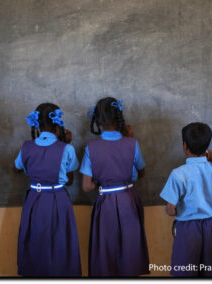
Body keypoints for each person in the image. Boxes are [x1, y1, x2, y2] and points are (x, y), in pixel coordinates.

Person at [80, 97, 149, 277]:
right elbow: (141, 173)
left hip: (106, 203)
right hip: (129, 200)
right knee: (130, 249)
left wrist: (102, 183)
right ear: (119, 117)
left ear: (97, 120)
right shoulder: (132, 143)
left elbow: (87, 186)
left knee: (106, 251)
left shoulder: (91, 147)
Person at [15, 103, 81, 277]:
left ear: (36, 124)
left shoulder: (26, 147)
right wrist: (65, 143)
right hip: (58, 199)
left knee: (36, 242)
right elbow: (70, 180)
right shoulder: (67, 148)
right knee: (60, 243)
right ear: (58, 124)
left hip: (34, 201)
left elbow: (17, 167)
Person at [160, 122, 212, 277]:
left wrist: (172, 212)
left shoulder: (178, 174)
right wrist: (211, 155)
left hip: (187, 228)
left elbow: (170, 208)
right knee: (209, 272)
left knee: (185, 272)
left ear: (185, 146)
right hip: (209, 225)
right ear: (207, 147)